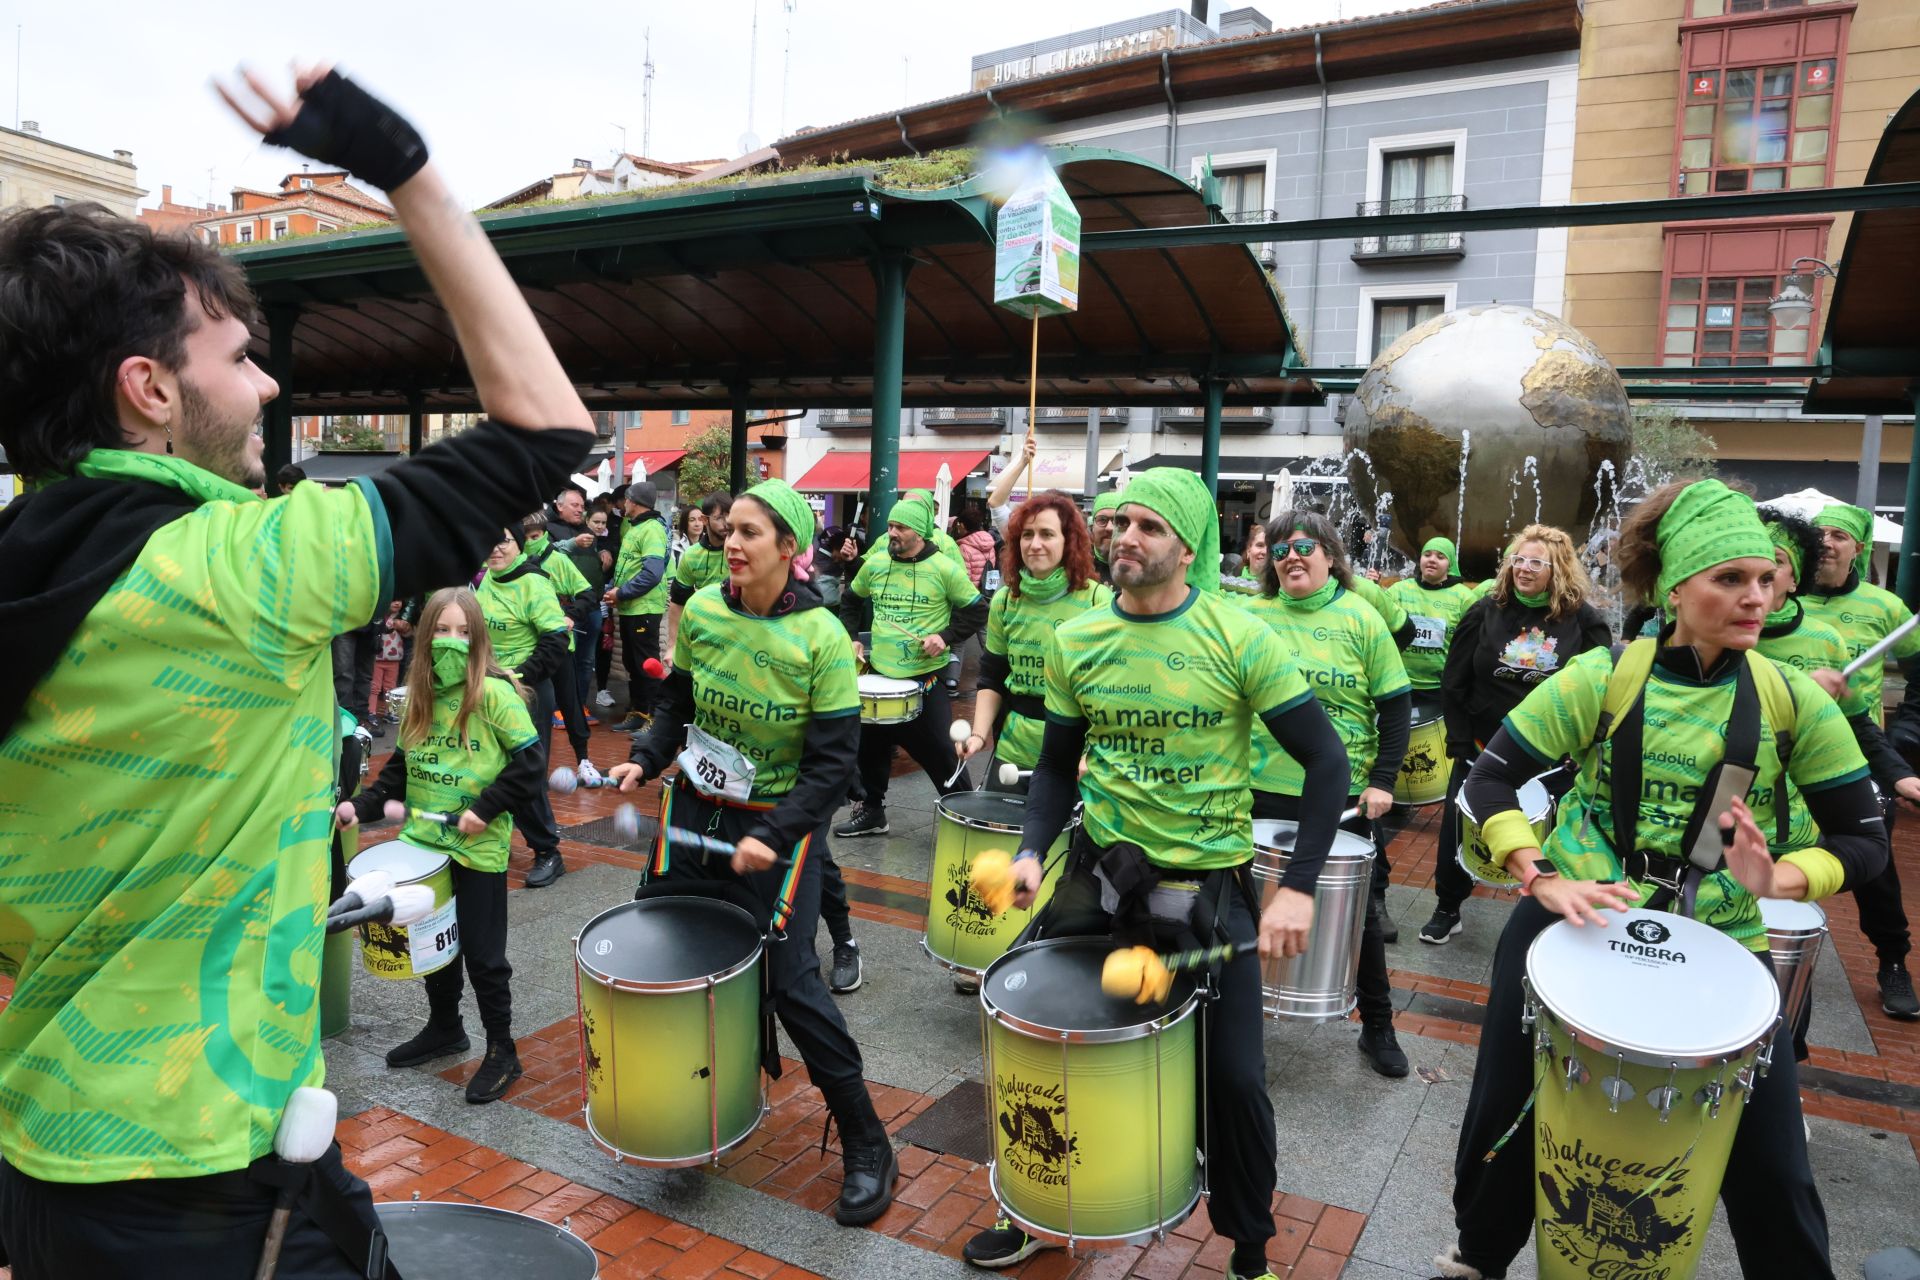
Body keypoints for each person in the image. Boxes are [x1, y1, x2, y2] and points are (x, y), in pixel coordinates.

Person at [0, 64, 591, 1278]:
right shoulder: (238, 565)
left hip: (54, 1154)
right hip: (205, 1176)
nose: (269, 383)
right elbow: (544, 425)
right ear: (150, 390)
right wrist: (404, 164)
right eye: (239, 355)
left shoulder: (17, 569)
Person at [1430, 479, 1889, 1280]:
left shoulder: (1790, 702)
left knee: (1775, 1165)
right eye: (1730, 579)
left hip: (1723, 940)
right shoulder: (1603, 676)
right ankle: (1477, 1257)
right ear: (1678, 588)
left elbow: (1866, 838)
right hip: (1575, 920)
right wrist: (1538, 877)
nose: (1757, 596)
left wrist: (1783, 875)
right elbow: (1488, 780)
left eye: (1766, 578)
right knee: (1504, 1109)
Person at [959, 468, 1348, 1280]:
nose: (1125, 537)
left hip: (1208, 888)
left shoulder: (1240, 636)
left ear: (1188, 545)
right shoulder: (1080, 640)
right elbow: (1059, 768)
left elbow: (1326, 762)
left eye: (1148, 527)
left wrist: (1300, 888)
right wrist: (1032, 849)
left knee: (1237, 1083)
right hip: (1101, 875)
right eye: (1119, 522)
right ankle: (1030, 1205)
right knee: (1029, 1028)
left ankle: (1248, 1251)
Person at [610, 478, 900, 1227]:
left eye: (748, 533)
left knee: (793, 983)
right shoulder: (704, 610)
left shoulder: (822, 638)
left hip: (777, 826)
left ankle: (868, 1140)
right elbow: (677, 700)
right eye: (726, 529)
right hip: (696, 807)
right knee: (663, 955)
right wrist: (645, 755)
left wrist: (770, 837)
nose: (729, 543)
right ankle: (692, 1105)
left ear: (789, 548)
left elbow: (834, 766)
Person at [337, 588, 539, 1102]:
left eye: (463, 632)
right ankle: (446, 1027)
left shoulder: (494, 696)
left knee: (484, 955)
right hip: (425, 847)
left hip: (478, 851)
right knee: (436, 945)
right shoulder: (418, 699)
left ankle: (502, 1050)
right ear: (425, 637)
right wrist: (359, 807)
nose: (452, 641)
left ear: (478, 639)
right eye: (442, 631)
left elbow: (530, 764)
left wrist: (484, 808)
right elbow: (399, 775)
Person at [1241, 510, 1412, 1077]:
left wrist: (1383, 781)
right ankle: (1238, 1029)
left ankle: (1380, 1026)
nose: (1292, 555)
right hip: (1256, 791)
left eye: (1305, 546)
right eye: (1281, 547)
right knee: (1244, 911)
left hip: (1340, 800)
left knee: (1359, 920)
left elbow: (1394, 707)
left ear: (1332, 556)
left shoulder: (1362, 618)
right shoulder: (1252, 615)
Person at [1421, 524, 1610, 946]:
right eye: (1518, 560)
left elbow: (1602, 692)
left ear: (1557, 569)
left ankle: (1545, 916)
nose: (1523, 569)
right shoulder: (1485, 610)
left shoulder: (1585, 622)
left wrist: (1584, 751)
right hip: (1484, 749)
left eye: (1535, 563)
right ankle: (1447, 907)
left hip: (1553, 757)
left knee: (1553, 839)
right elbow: (1454, 681)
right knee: (1460, 826)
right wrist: (1458, 738)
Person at [1798, 502, 1920, 1019]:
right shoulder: (1783, 600)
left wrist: (1904, 745)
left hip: (1858, 756)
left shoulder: (1887, 608)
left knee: (1874, 868)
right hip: (1783, 755)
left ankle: (1893, 960)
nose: (1826, 542)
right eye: (1819, 534)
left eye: (1838, 535)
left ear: (1858, 548)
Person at [834, 495, 989, 838]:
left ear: (919, 532)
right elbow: (851, 600)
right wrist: (850, 637)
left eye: (900, 527)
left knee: (941, 752)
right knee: (869, 747)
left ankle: (966, 814)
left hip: (925, 679)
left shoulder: (945, 568)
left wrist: (945, 636)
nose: (891, 532)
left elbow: (978, 610)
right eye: (890, 525)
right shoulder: (875, 564)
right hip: (879, 676)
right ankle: (872, 811)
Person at [959, 490, 1110, 797]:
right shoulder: (1004, 601)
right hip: (1014, 747)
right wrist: (978, 734)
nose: (1035, 543)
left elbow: (1109, 691)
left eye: (1047, 534)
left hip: (1076, 753)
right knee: (998, 840)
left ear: (1069, 541)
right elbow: (993, 676)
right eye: (1027, 534)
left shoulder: (1097, 600)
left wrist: (1094, 752)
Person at [477, 524, 575, 887]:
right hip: (489, 692)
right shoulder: (487, 579)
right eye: (489, 541)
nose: (496, 549)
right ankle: (496, 839)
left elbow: (555, 640)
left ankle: (548, 851)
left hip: (527, 694)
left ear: (519, 543)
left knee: (525, 772)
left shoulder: (533, 583)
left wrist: (519, 677)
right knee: (488, 767)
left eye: (503, 541)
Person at [520, 512, 603, 781]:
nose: (531, 542)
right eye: (525, 537)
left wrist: (571, 615)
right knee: (530, 711)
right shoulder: (515, 563)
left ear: (544, 534)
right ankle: (530, 769)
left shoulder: (558, 560)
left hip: (559, 648)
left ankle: (584, 760)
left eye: (535, 536)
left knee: (570, 705)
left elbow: (588, 594)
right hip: (528, 651)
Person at [606, 479, 671, 733]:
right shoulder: (635, 527)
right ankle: (639, 712)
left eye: (627, 500)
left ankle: (654, 720)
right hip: (632, 608)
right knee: (634, 664)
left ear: (634, 502)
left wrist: (622, 592)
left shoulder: (652, 529)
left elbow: (652, 574)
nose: (624, 504)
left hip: (644, 608)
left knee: (647, 664)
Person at [1384, 536, 1478, 697]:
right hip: (1399, 683)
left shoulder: (1465, 598)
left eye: (1440, 557)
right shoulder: (1398, 591)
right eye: (1427, 555)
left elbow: (1472, 645)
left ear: (1450, 565)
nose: (1432, 560)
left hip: (1442, 687)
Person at [548, 484, 609, 720]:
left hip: (591, 605)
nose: (580, 510)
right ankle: (558, 708)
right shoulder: (548, 529)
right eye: (575, 505)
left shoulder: (587, 529)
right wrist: (573, 544)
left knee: (586, 660)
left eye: (582, 506)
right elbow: (541, 553)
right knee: (563, 659)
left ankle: (579, 706)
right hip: (563, 606)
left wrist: (604, 552)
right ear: (559, 505)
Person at [667, 490, 733, 654]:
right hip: (703, 633)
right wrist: (672, 646)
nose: (726, 523)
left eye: (729, 517)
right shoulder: (691, 555)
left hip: (737, 633)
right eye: (719, 518)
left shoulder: (741, 550)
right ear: (705, 520)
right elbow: (677, 602)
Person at [1089, 488, 1120, 583]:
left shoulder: (1139, 570)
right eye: (1102, 520)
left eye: (1117, 521)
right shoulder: (1077, 568)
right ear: (1092, 527)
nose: (1109, 528)